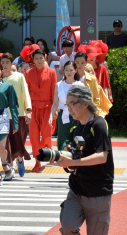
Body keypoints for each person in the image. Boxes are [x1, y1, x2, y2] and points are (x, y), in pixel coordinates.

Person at [57, 85, 114, 235]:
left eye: (72, 104)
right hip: (77, 189)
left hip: (98, 192)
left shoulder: (99, 124)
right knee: (67, 227)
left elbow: (102, 156)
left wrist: (73, 163)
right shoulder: (74, 125)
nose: (69, 108)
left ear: (85, 103)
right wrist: (64, 156)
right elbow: (72, 150)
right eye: (66, 104)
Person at [1, 53, 32, 176]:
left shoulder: (19, 77)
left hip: (19, 114)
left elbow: (26, 93)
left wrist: (29, 110)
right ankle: (10, 166)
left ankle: (20, 158)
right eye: (3, 63)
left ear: (11, 64)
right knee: (6, 142)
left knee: (20, 140)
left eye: (7, 62)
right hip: (3, 115)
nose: (5, 65)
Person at [25, 49, 57, 172]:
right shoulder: (28, 73)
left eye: (41, 58)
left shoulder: (52, 72)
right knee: (33, 135)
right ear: (33, 60)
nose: (39, 60)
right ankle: (37, 161)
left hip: (48, 107)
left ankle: (48, 152)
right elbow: (26, 92)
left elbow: (55, 92)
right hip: (33, 108)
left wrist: (55, 110)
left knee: (46, 133)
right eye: (36, 58)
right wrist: (27, 109)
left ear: (45, 58)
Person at [52, 61, 83, 151]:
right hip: (63, 114)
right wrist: (51, 116)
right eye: (66, 70)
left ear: (75, 71)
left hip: (76, 115)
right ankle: (64, 158)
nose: (69, 72)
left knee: (76, 138)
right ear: (64, 71)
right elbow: (55, 104)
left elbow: (83, 103)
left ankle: (76, 158)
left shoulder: (80, 85)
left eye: (71, 70)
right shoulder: (59, 85)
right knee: (63, 138)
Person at [74, 52, 107, 118]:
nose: (79, 65)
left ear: (86, 63)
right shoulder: (69, 77)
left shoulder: (92, 79)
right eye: (77, 63)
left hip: (87, 112)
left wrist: (93, 112)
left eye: (82, 63)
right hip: (72, 112)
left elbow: (96, 98)